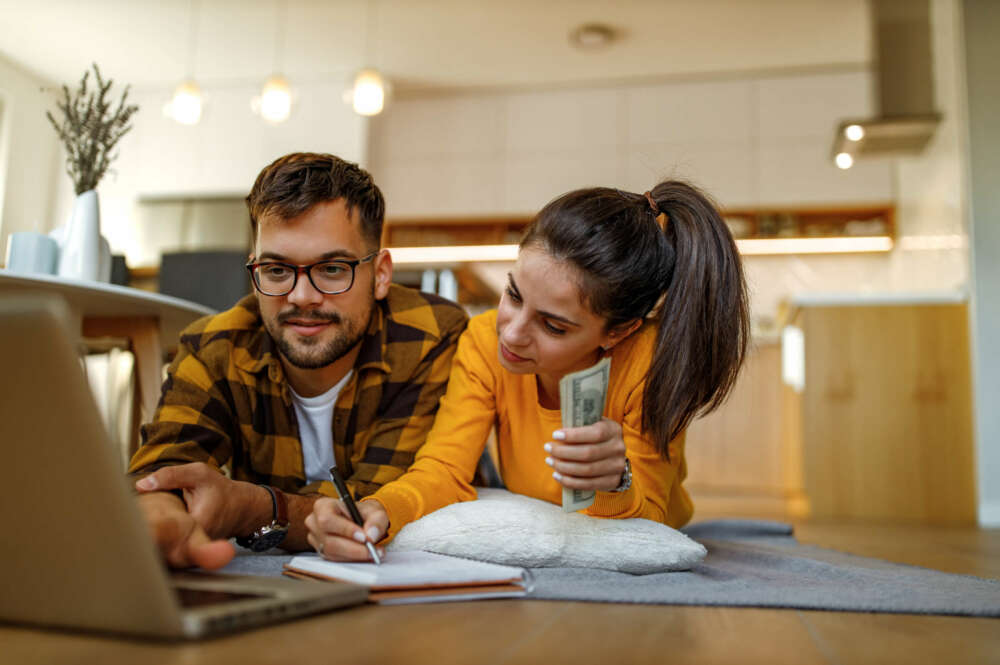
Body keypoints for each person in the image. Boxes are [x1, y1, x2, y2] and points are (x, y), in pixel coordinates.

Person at [306, 180, 750, 561]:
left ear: (617, 332)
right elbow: (444, 467)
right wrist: (382, 509)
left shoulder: (649, 361)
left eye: (553, 326)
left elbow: (652, 512)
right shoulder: (483, 339)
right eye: (514, 296)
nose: (513, 335)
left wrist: (617, 481)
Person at [129, 153, 468, 570]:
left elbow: (382, 500)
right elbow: (165, 466)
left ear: (380, 275)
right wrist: (162, 512)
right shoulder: (213, 346)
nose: (301, 297)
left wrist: (254, 508)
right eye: (275, 270)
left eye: (331, 268)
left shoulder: (430, 337)